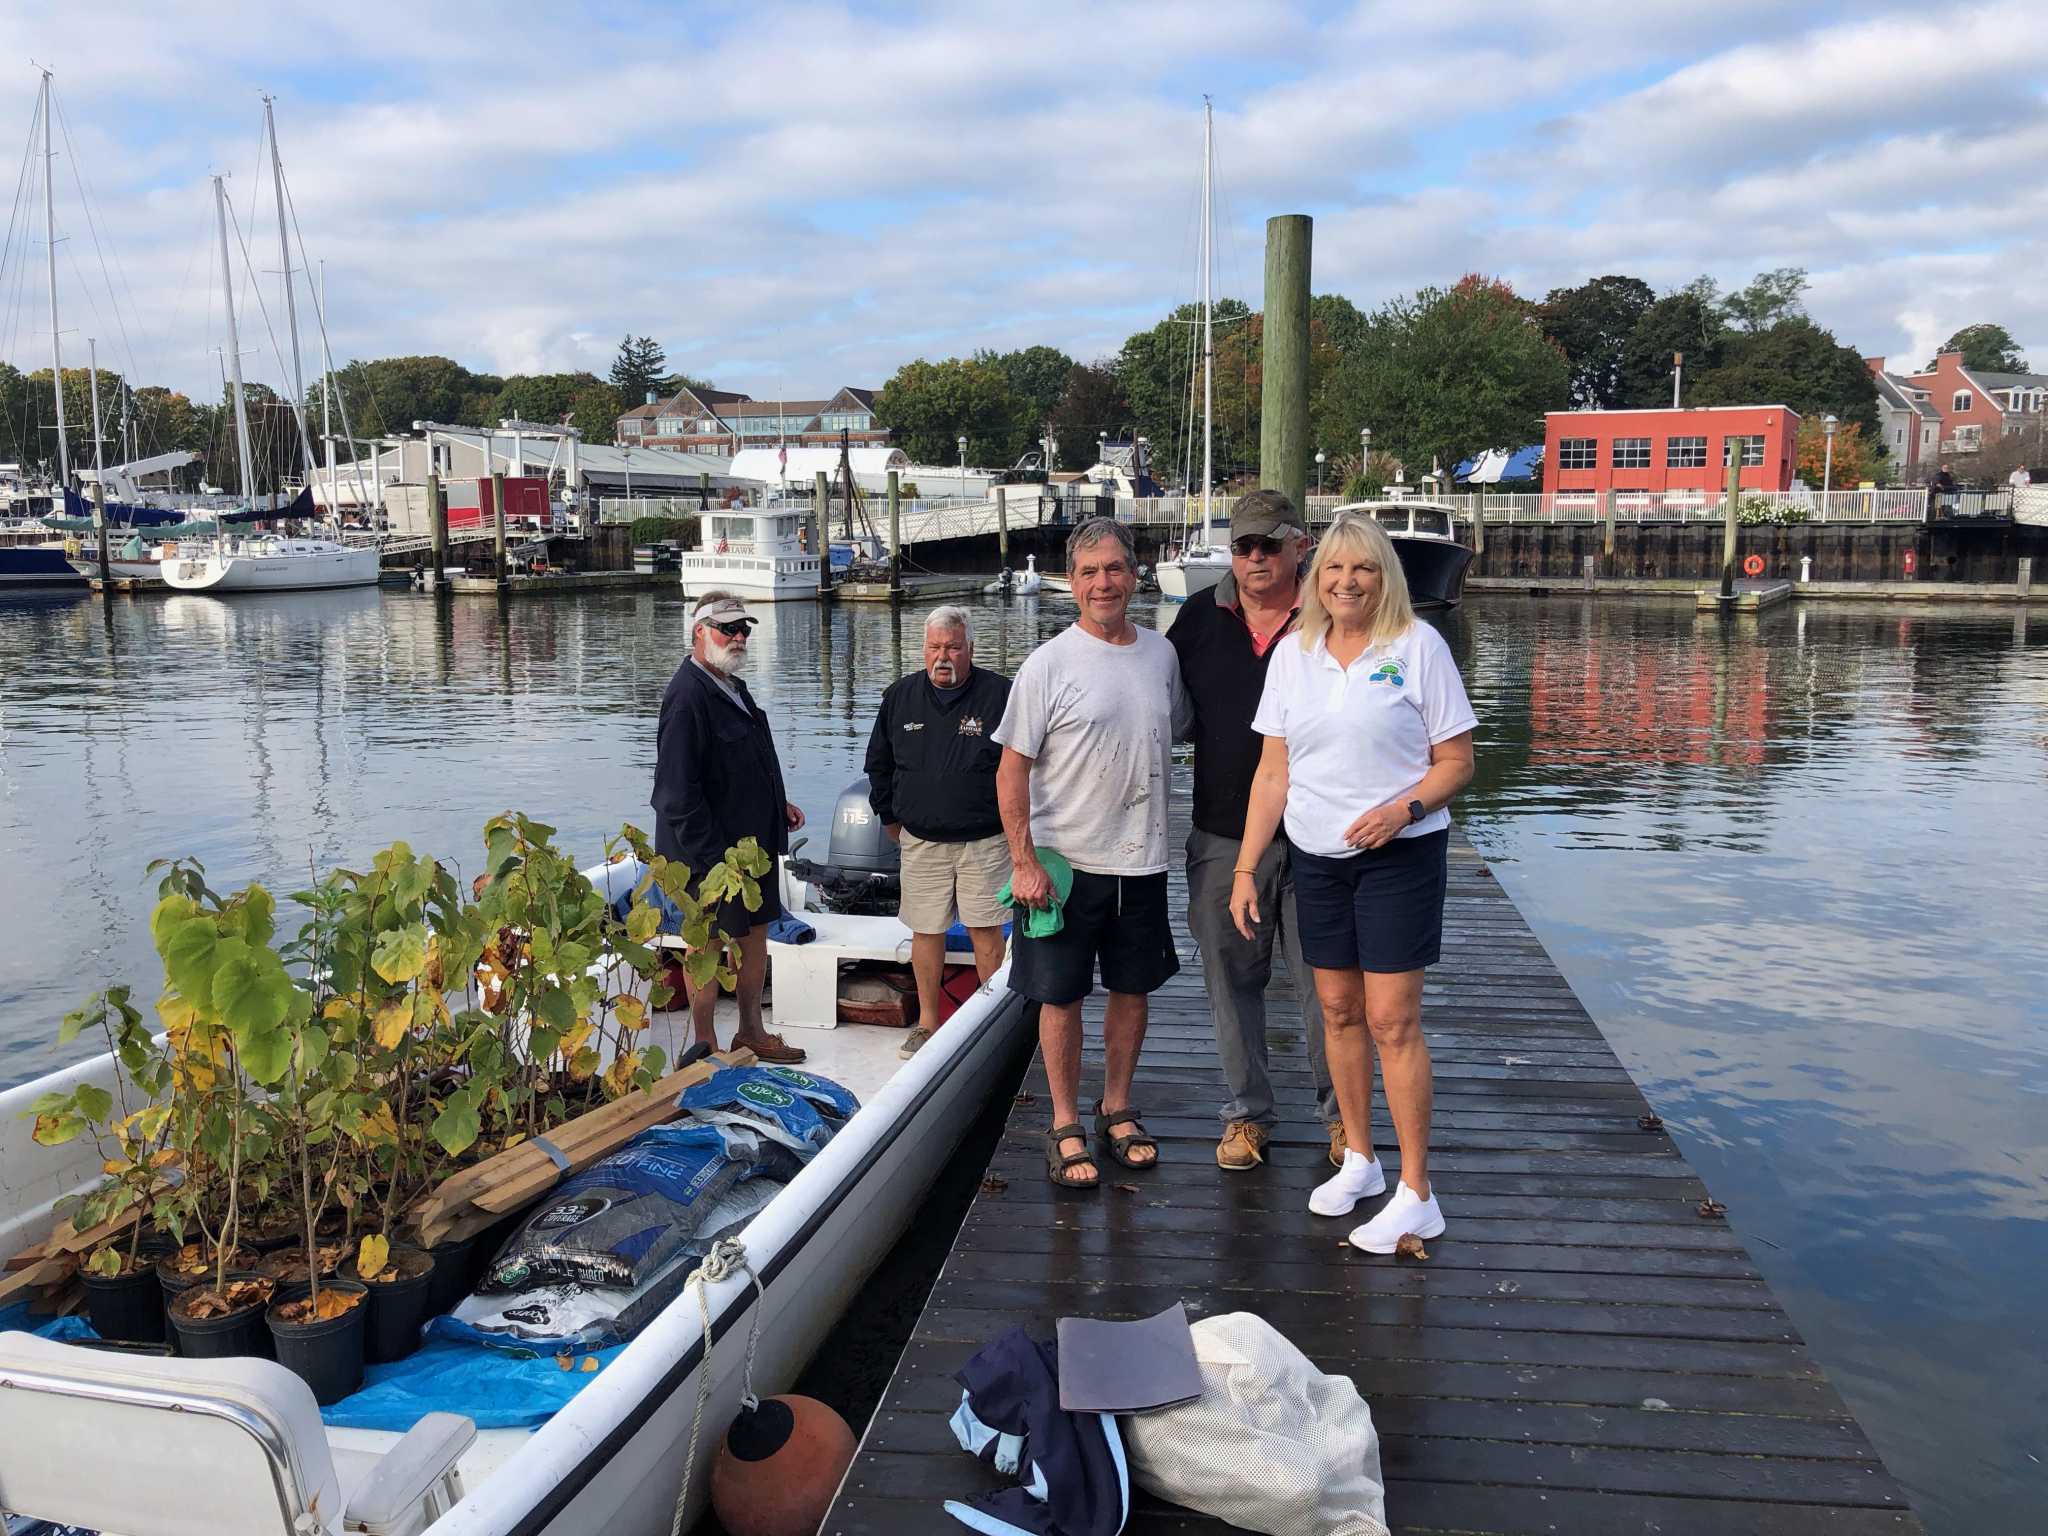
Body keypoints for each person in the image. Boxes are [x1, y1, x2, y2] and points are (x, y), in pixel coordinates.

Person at [1229, 512, 1476, 1253]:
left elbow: (1457, 762)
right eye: (1333, 569)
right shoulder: (1294, 655)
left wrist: (1403, 811)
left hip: (1400, 857)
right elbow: (1273, 772)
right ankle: (1363, 1160)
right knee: (1336, 1011)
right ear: (1316, 579)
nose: (1347, 582)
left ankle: (1417, 1192)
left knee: (1393, 1021)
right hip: (1316, 858)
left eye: (1362, 569)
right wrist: (1245, 866)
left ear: (1384, 577)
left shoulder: (1418, 647)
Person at [996, 517, 1188, 1189]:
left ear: (1135, 574)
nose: (1102, 583)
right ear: (1070, 582)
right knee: (1062, 997)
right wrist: (1023, 862)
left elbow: (1181, 731)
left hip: (1143, 861)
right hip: (1064, 869)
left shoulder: (1162, 656)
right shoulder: (1048, 664)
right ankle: (1065, 1120)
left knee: (1132, 992)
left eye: (1113, 569)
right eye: (1088, 572)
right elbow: (1011, 771)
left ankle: (1117, 1108)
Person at [1166, 488, 1341, 1172]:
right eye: (1244, 546)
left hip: (1321, 835)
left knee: (1328, 984)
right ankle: (1248, 1115)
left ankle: (1345, 1121)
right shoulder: (1196, 620)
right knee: (1230, 982)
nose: (1257, 557)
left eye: (1271, 543)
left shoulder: (1332, 618)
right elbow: (1157, 712)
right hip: (1222, 835)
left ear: (1301, 545)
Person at [651, 590, 809, 1065]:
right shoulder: (686, 698)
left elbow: (746, 757)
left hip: (750, 850)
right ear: (700, 632)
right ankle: (705, 1048)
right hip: (708, 856)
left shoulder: (731, 686)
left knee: (755, 934)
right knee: (708, 944)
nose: (738, 638)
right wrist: (716, 860)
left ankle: (750, 1032)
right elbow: (675, 795)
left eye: (743, 630)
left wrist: (776, 802)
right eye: (728, 629)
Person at [865, 606, 1013, 1059]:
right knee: (926, 933)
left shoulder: (1001, 695)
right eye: (934, 647)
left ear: (970, 648)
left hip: (986, 841)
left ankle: (986, 1025)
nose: (942, 656)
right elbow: (879, 765)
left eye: (952, 646)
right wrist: (890, 819)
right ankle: (928, 1024)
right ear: (923, 649)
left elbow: (1025, 767)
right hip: (922, 841)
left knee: (986, 932)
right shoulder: (900, 697)